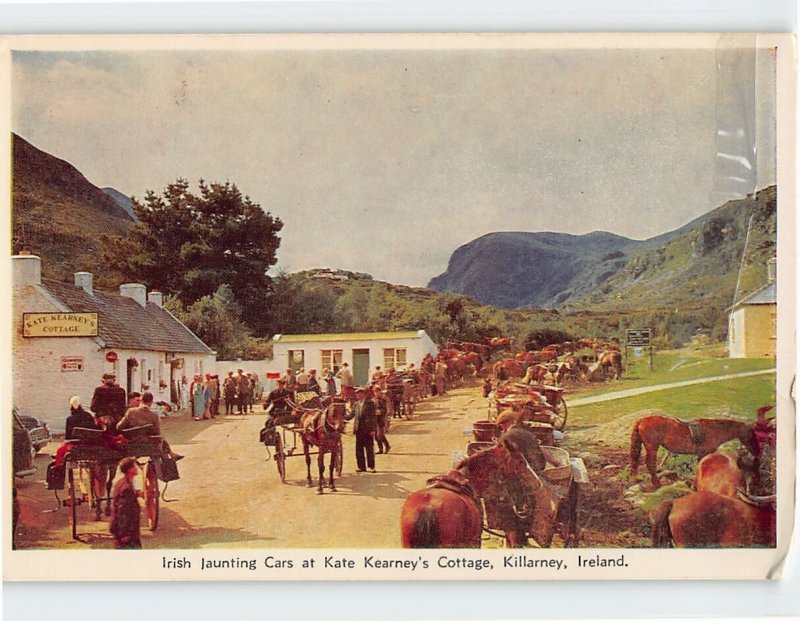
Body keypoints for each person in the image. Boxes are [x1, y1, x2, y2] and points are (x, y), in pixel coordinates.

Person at [117, 392, 183, 460]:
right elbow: (157, 434)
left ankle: (171, 453)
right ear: (151, 402)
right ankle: (170, 456)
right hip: (148, 445)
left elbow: (119, 427)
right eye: (137, 400)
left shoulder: (130, 412)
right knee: (160, 439)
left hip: (132, 444)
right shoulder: (154, 416)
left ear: (142, 401)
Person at [109, 457, 142, 549]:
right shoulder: (126, 488)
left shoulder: (124, 482)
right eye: (134, 466)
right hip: (127, 534)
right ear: (130, 470)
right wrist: (124, 534)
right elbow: (122, 513)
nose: (137, 468)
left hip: (128, 532)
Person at [352, 387, 377, 472]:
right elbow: (351, 415)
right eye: (357, 394)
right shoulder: (356, 404)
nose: (357, 395)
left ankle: (371, 467)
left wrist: (373, 429)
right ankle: (361, 467)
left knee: (369, 449)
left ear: (364, 394)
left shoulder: (370, 403)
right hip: (358, 429)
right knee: (359, 450)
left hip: (368, 429)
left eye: (359, 393)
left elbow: (373, 417)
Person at [372, 385, 391, 454]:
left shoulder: (382, 400)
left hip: (381, 419)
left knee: (380, 435)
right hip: (374, 419)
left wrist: (380, 412)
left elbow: (385, 409)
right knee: (376, 436)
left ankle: (387, 445)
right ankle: (381, 449)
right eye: (375, 391)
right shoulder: (373, 400)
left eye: (377, 391)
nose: (376, 393)